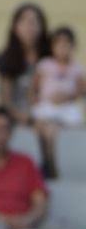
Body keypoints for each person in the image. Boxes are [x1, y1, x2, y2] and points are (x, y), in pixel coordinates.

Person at [32, 27, 86, 176]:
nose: (62, 47)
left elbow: (82, 89)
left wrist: (67, 97)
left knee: (61, 132)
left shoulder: (77, 68)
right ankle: (49, 164)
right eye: (59, 44)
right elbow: (35, 86)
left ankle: (59, 166)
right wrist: (36, 100)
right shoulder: (45, 64)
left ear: (73, 46)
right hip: (47, 106)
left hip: (67, 108)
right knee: (45, 129)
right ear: (52, 46)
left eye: (66, 44)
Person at [0, 2, 49, 125]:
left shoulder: (50, 59)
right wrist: (23, 117)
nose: (30, 26)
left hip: (48, 119)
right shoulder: (6, 60)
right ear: (15, 27)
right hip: (16, 121)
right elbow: (5, 100)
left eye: (35, 21)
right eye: (24, 21)